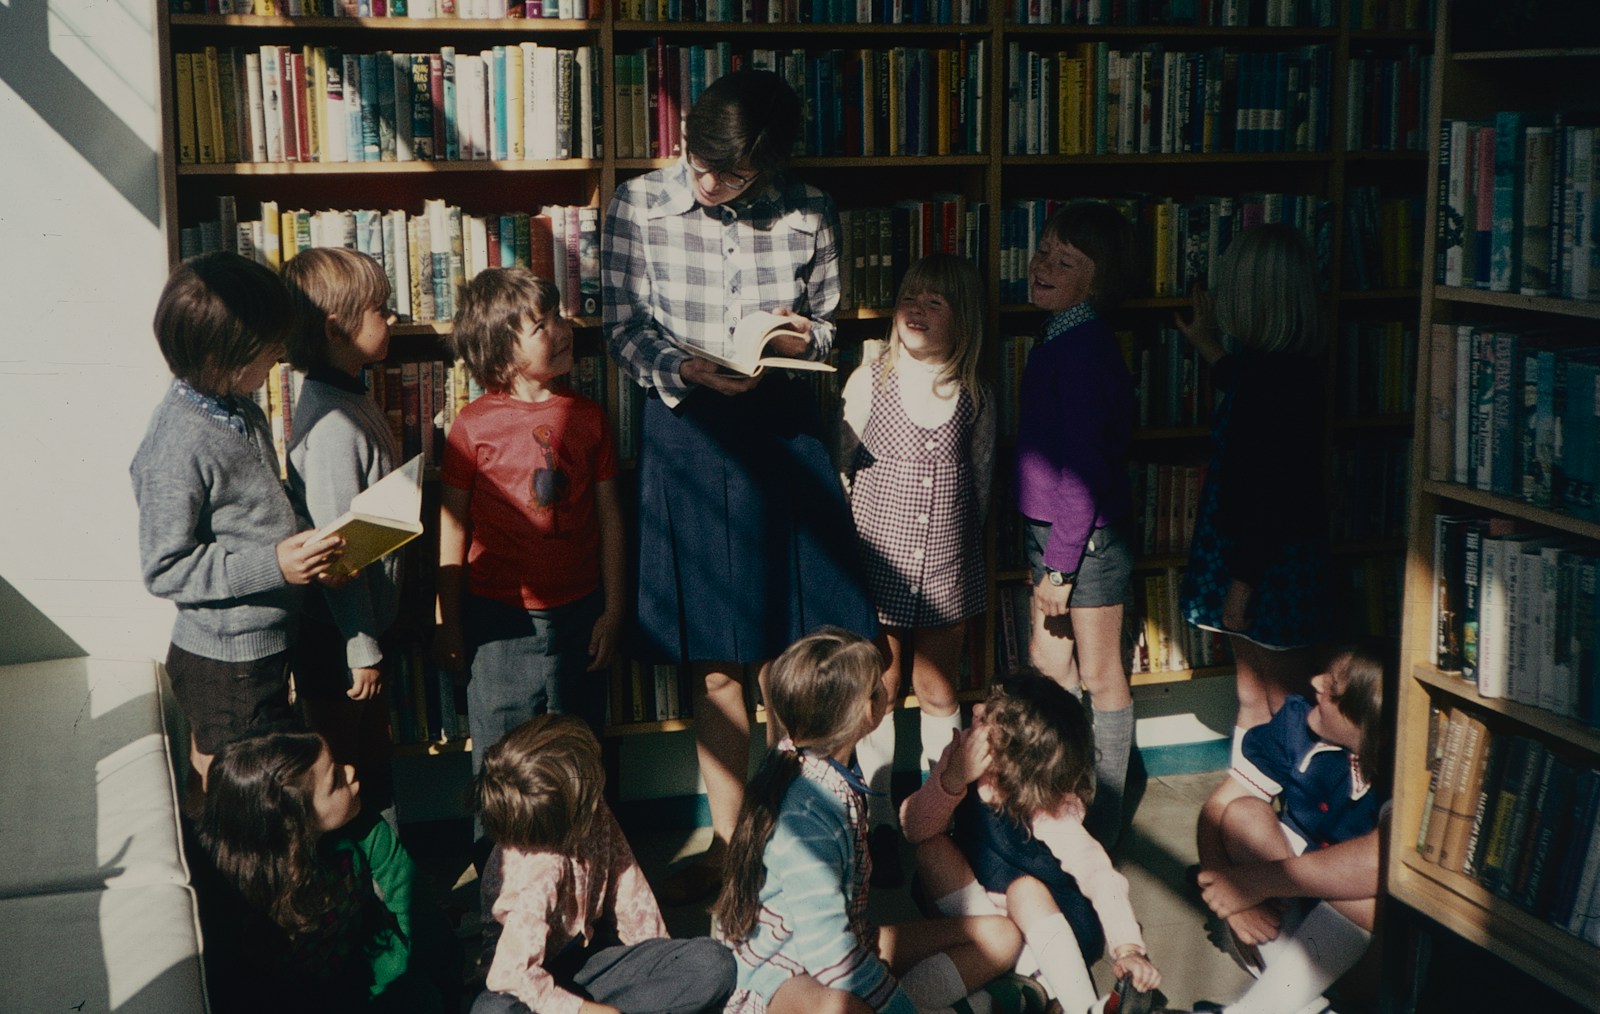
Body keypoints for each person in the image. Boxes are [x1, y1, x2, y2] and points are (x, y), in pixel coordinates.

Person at [602, 68, 876, 902]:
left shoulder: (810, 209)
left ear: (770, 164)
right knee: (715, 656)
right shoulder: (637, 205)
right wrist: (679, 365)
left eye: (733, 175)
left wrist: (801, 336)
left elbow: (829, 318)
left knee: (803, 645)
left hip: (783, 427)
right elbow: (621, 327)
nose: (709, 183)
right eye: (699, 162)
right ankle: (732, 853)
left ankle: (810, 836)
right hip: (688, 430)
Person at [714, 628, 1030, 1014]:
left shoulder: (828, 769)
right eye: (878, 685)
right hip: (780, 975)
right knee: (843, 1008)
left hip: (847, 944)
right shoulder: (804, 817)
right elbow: (829, 959)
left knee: (1000, 935)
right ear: (868, 711)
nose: (886, 688)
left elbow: (840, 947)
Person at [131, 251, 345, 795]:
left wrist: (314, 554)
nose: (281, 352)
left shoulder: (238, 406)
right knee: (247, 807)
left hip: (262, 646)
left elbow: (261, 507)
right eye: (268, 346)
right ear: (216, 357)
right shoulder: (176, 443)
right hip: (227, 665)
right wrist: (274, 565)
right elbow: (165, 569)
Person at [433, 267, 624, 811]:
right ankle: (498, 882)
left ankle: (590, 873)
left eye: (559, 315)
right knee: (500, 762)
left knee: (581, 757)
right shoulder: (472, 426)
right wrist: (448, 620)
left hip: (581, 616)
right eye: (541, 325)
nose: (562, 329)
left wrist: (613, 610)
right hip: (498, 624)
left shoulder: (589, 419)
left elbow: (611, 518)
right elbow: (452, 525)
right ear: (502, 355)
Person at [839, 252, 995, 886]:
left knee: (937, 688)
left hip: (949, 565)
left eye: (937, 303)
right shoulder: (869, 380)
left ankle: (942, 806)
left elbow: (981, 482)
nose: (918, 310)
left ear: (963, 324)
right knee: (880, 684)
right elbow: (841, 468)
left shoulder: (974, 393)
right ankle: (875, 812)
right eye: (910, 297)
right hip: (878, 561)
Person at [902, 670, 1163, 1014]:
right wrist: (952, 780)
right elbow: (913, 828)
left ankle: (1076, 1004)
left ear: (1012, 756)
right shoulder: (960, 758)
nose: (975, 709)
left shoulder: (1047, 806)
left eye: (987, 717)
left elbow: (1098, 873)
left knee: (1024, 890)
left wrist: (1127, 947)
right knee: (931, 851)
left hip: (1052, 923)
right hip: (987, 923)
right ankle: (1019, 982)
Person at [1174, 223, 1334, 758]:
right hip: (1260, 561)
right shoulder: (1277, 373)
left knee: (1287, 701)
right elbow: (1243, 389)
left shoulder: (1276, 386)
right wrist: (1212, 351)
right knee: (1252, 692)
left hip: (1265, 568)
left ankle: (1293, 812)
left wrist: (1241, 586)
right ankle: (1247, 799)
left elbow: (1271, 495)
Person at [1013, 201, 1140, 848]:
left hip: (1081, 541)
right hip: (1056, 535)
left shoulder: (1084, 348)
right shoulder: (1060, 333)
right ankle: (1056, 806)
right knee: (1047, 670)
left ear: (1099, 281)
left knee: (1098, 674)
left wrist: (1061, 566)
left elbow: (1085, 470)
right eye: (1042, 252)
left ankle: (1109, 821)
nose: (1044, 266)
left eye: (1066, 262)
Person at [471, 713, 736, 1014]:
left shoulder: (593, 811)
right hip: (523, 980)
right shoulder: (540, 868)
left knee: (714, 963)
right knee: (492, 1010)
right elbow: (510, 974)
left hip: (587, 962)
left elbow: (630, 893)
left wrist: (659, 959)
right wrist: (583, 1011)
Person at [195, 727, 458, 1012]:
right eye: (335, 780)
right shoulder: (230, 887)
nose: (351, 771)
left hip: (373, 980)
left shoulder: (362, 824)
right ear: (293, 821)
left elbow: (416, 907)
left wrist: (445, 989)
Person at [1192, 644, 1387, 1014]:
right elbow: (1217, 809)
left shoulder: (1398, 764)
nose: (1314, 682)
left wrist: (1258, 882)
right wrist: (1228, 891)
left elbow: (1380, 864)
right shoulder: (1297, 722)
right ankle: (1297, 1001)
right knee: (1242, 814)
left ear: (1368, 723)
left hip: (1367, 953)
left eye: (1331, 690)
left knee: (1374, 890)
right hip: (1282, 928)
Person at [282, 246, 403, 824]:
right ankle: (362, 901)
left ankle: (388, 895)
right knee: (346, 780)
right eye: (381, 309)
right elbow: (338, 551)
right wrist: (362, 648)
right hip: (341, 639)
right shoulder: (332, 423)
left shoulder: (349, 394)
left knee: (371, 770)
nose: (394, 318)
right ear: (337, 329)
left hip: (359, 630)